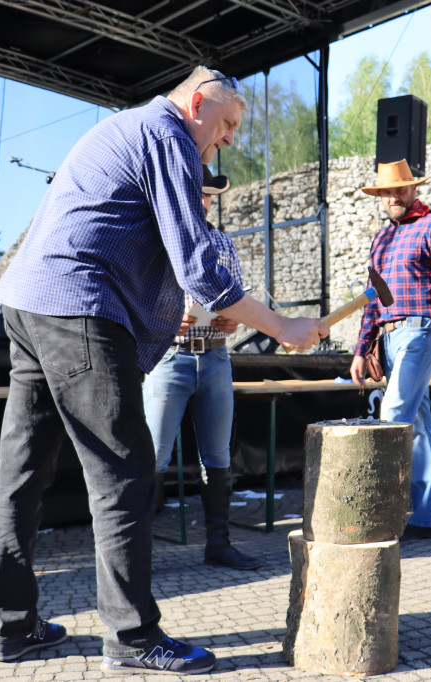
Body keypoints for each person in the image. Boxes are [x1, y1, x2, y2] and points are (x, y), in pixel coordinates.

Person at [0, 66, 327, 676]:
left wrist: (207, 313)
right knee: (124, 471)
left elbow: (133, 244)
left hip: (26, 301)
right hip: (77, 307)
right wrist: (283, 327)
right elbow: (197, 261)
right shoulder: (165, 131)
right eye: (225, 124)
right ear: (197, 102)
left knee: (22, 471)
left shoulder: (123, 128)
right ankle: (132, 637)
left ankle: (13, 629)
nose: (227, 140)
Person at [142, 166, 261, 571]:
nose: (205, 202)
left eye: (209, 195)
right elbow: (135, 301)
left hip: (215, 357)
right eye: (200, 193)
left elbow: (237, 300)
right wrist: (165, 319)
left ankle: (219, 545)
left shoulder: (222, 242)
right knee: (152, 459)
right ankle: (135, 554)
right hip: (167, 357)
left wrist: (232, 320)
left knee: (218, 456)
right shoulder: (156, 238)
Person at [349, 159, 431, 541]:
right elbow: (374, 298)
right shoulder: (381, 238)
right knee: (416, 424)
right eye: (386, 191)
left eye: (399, 189)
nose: (393, 196)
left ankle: (381, 513)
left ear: (414, 189)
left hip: (422, 329)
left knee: (394, 413)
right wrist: (361, 347)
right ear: (380, 196)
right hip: (390, 333)